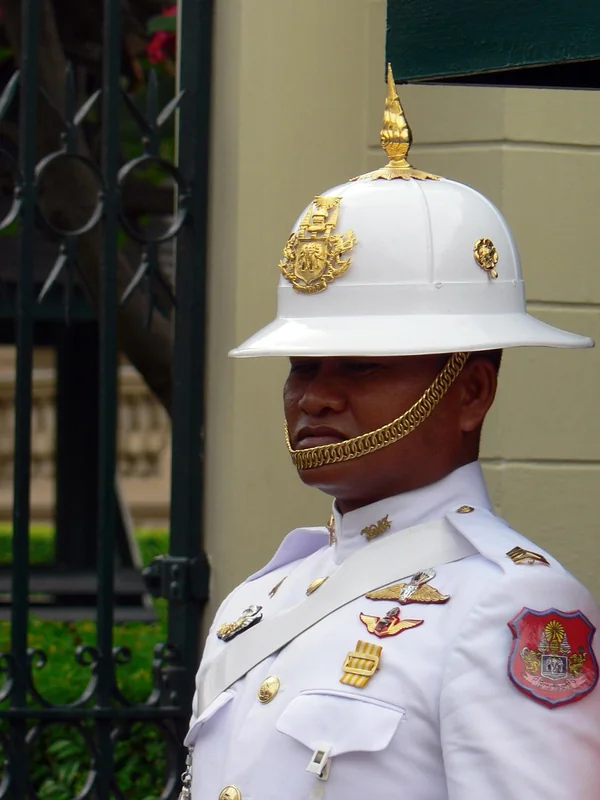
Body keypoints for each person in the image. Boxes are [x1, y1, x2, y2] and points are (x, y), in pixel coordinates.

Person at [180, 66, 600, 800]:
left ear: (471, 392)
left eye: (361, 367)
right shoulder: (260, 603)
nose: (315, 397)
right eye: (302, 366)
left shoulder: (510, 609)